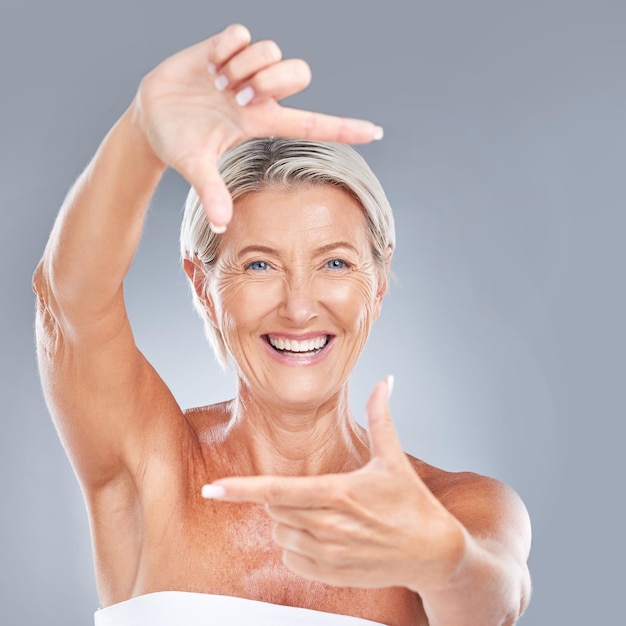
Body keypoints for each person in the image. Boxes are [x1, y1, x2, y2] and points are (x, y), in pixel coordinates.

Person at [33, 23, 531, 626]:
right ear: (202, 284)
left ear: (377, 280)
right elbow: (68, 305)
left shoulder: (454, 509)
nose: (299, 308)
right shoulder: (152, 467)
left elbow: (495, 601)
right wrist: (139, 136)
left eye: (335, 263)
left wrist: (445, 562)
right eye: (260, 263)